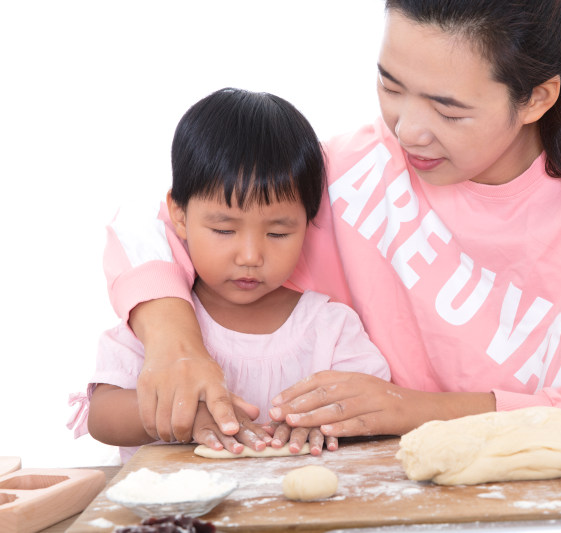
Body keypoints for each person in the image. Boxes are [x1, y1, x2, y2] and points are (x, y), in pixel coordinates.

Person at [101, 0, 561, 451]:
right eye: (391, 86)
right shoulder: (358, 175)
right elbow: (150, 220)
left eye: (448, 109)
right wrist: (171, 336)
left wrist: (420, 411)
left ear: (538, 97)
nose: (406, 129)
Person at [68, 88, 390, 462]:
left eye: (278, 233)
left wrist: (330, 420)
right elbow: (101, 416)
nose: (251, 256)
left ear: (309, 222)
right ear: (179, 215)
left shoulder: (330, 327)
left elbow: (371, 404)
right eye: (224, 230)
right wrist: (183, 410)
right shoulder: (157, 320)